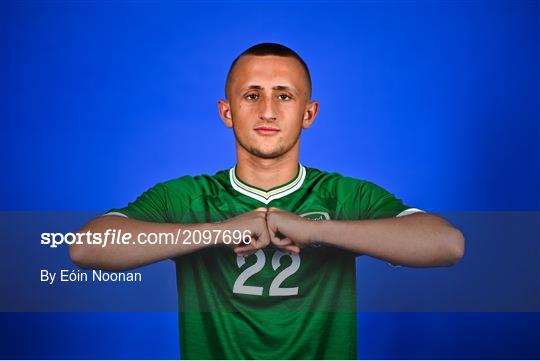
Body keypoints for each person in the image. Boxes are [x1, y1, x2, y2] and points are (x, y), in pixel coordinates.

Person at [70, 43, 465, 359]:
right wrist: (218, 232)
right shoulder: (186, 196)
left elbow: (446, 244)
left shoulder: (345, 195)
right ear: (227, 111)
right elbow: (86, 248)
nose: (268, 111)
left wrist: (315, 230)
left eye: (285, 96)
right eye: (252, 95)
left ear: (309, 113)